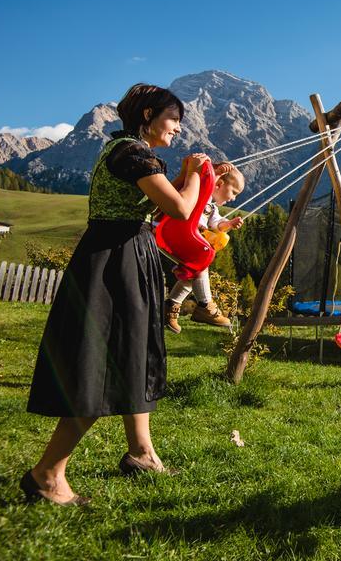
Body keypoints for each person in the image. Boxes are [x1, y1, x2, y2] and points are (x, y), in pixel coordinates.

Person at [22, 83, 207, 506]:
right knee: (100, 361)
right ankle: (47, 474)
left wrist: (183, 177)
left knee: (134, 354)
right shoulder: (132, 153)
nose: (178, 128)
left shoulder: (132, 154)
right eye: (173, 119)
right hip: (113, 262)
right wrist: (194, 176)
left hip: (126, 256)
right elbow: (179, 209)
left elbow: (156, 206)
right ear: (147, 116)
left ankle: (141, 453)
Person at [164, 163, 245, 333]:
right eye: (234, 192)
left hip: (188, 239)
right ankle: (205, 305)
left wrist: (229, 224)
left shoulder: (211, 208)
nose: (233, 199)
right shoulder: (200, 194)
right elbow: (204, 186)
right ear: (220, 184)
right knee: (202, 259)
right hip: (177, 233)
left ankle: (170, 307)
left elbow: (217, 225)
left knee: (195, 270)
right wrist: (215, 175)